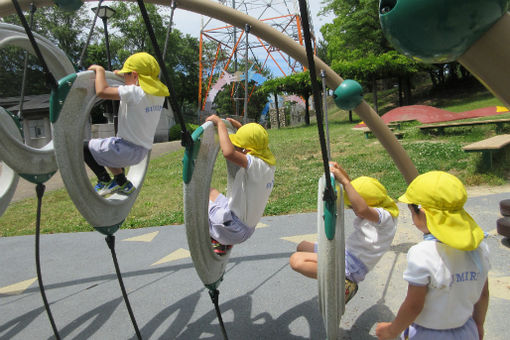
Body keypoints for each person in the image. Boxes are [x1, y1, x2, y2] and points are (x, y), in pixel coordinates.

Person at [375, 171, 490, 340]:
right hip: (466, 329)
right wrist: (479, 324)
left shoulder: (422, 254)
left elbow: (414, 306)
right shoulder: (479, 247)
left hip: (428, 334)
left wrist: (392, 330)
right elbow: (484, 294)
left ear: (423, 213)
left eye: (412, 211)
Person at [289, 162, 399, 303]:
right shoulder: (377, 204)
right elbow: (355, 194)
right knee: (302, 246)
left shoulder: (385, 217)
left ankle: (343, 282)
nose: (352, 209)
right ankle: (334, 275)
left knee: (297, 260)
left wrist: (346, 182)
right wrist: (338, 170)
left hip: (353, 265)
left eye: (352, 206)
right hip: (346, 253)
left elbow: (361, 209)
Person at [85, 52, 169, 196]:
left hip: (125, 148)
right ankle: (122, 182)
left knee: (84, 147)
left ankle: (104, 180)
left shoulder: (134, 92)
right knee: (106, 148)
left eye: (126, 75)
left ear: (135, 76)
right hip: (141, 151)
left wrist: (100, 71)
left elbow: (102, 91)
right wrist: (122, 75)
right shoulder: (158, 94)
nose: (124, 78)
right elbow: (138, 83)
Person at [205, 115, 276, 255]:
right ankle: (223, 239)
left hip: (232, 227)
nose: (236, 147)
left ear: (247, 151)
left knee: (197, 202)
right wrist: (240, 128)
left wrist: (220, 124)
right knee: (209, 192)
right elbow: (252, 142)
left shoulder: (253, 164)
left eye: (238, 146)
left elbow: (229, 153)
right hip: (243, 225)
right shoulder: (267, 162)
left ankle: (219, 240)